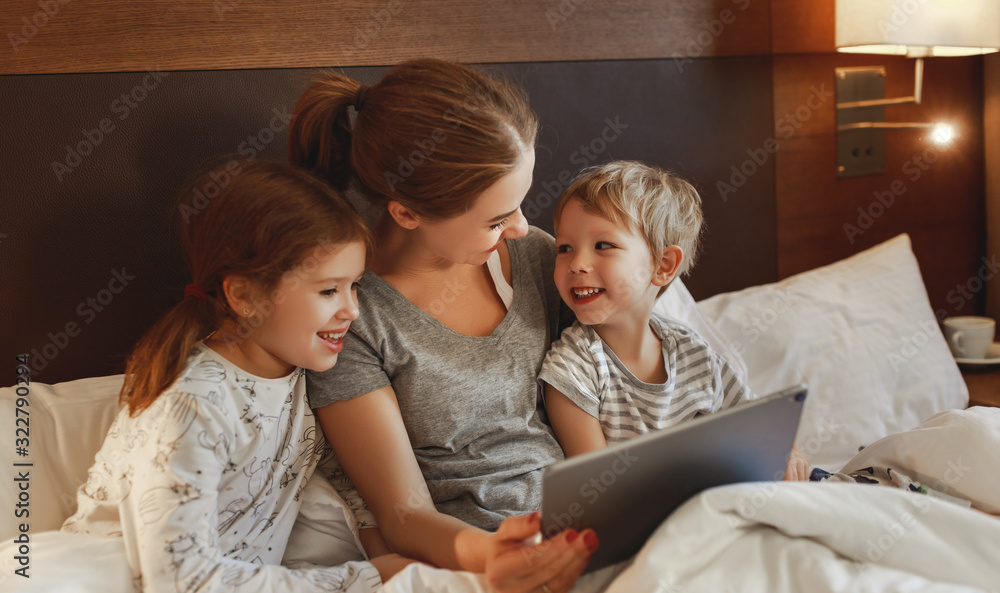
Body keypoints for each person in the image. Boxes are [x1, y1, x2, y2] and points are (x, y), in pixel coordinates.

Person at [292, 59, 598, 593]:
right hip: (485, 553)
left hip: (595, 523)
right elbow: (403, 513)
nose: (523, 226)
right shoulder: (352, 317)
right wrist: (496, 556)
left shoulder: (535, 258)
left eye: (519, 202)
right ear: (407, 213)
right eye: (495, 219)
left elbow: (634, 364)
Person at [60, 160, 413, 591]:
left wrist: (394, 570)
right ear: (245, 295)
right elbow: (179, 580)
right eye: (328, 290)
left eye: (354, 285)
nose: (352, 310)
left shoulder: (303, 374)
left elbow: (353, 485)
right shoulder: (192, 406)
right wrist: (362, 578)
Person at [538, 161, 811, 481]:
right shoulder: (573, 370)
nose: (577, 263)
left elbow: (763, 425)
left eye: (603, 245)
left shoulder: (694, 352)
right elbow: (600, 487)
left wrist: (790, 451)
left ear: (663, 265)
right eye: (565, 248)